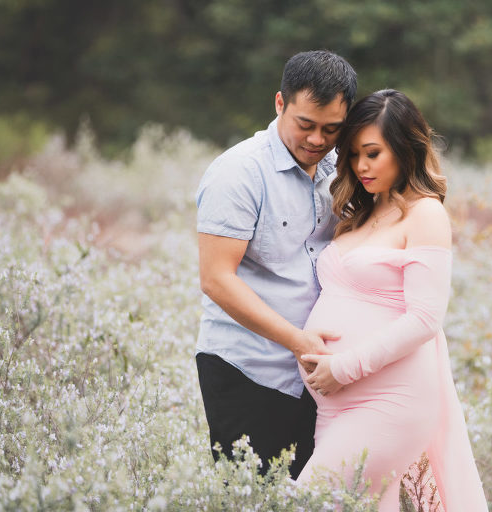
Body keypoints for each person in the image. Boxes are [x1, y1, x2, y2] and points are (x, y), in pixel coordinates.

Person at [297, 89, 489, 511]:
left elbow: (425, 318)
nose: (360, 166)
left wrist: (343, 368)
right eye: (352, 155)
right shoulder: (358, 215)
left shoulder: (426, 214)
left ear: (404, 150)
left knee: (299, 502)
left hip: (390, 402)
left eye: (372, 153)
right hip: (334, 405)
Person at [194, 50, 357, 479]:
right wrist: (297, 341)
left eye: (331, 129)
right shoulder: (238, 173)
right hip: (248, 371)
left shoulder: (341, 170)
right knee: (254, 498)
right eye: (306, 124)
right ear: (280, 103)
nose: (317, 140)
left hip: (319, 379)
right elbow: (215, 280)